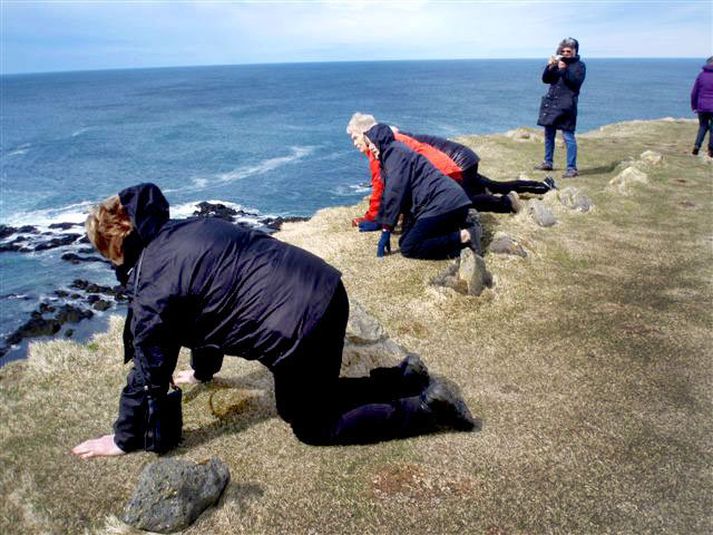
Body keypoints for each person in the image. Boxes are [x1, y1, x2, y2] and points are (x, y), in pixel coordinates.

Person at [71, 183, 476, 458]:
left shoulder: (153, 284)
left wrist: (124, 440)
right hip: (327, 289)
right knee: (312, 395)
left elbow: (147, 371)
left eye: (104, 253)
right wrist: (202, 373)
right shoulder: (184, 229)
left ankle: (426, 409)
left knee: (312, 424)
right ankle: (404, 377)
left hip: (299, 325)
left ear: (115, 245)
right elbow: (201, 309)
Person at [346, 113, 556, 223]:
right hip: (458, 160)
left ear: (366, 132)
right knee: (491, 186)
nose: (354, 142)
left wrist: (372, 218)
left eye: (355, 136)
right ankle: (541, 187)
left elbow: (382, 186)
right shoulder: (391, 136)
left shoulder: (382, 146)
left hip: (454, 166)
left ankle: (507, 202)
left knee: (464, 200)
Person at [362, 123, 481, 260]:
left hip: (445, 204)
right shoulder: (393, 153)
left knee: (409, 247)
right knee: (405, 239)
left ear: (381, 140)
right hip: (447, 203)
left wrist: (386, 229)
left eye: (372, 143)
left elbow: (394, 193)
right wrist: (381, 220)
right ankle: (460, 235)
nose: (370, 147)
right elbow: (392, 191)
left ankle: (466, 235)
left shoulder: (395, 155)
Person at [535, 37, 586, 178]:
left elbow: (575, 82)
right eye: (563, 50)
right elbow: (546, 79)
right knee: (548, 135)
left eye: (568, 50)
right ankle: (548, 162)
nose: (565, 52)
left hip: (566, 105)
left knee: (568, 137)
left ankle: (571, 168)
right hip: (552, 103)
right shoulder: (558, 63)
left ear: (575, 51)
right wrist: (550, 66)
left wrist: (563, 70)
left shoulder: (579, 66)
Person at [690, 56, 713, 157]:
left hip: (702, 107)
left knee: (703, 126)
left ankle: (696, 146)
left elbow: (694, 93)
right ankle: (711, 151)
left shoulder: (701, 75)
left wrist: (694, 106)